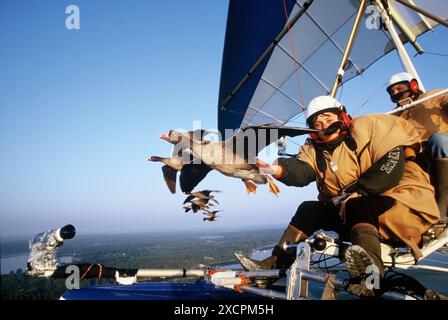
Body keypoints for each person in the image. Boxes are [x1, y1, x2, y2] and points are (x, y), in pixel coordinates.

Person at [236, 95, 440, 297]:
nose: (324, 124)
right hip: (353, 215)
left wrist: (359, 192)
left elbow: (391, 164)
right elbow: (302, 171)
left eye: (328, 118)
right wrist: (274, 169)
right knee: (308, 210)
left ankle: (372, 278)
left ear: (341, 116)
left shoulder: (370, 127)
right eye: (317, 123)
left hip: (399, 205)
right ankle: (271, 267)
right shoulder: (314, 150)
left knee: (357, 205)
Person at [386, 72, 448, 224]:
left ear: (412, 86)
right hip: (416, 159)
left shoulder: (433, 96)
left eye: (399, 88)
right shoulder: (395, 116)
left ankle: (443, 207)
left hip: (440, 148)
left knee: (438, 140)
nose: (396, 93)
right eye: (392, 92)